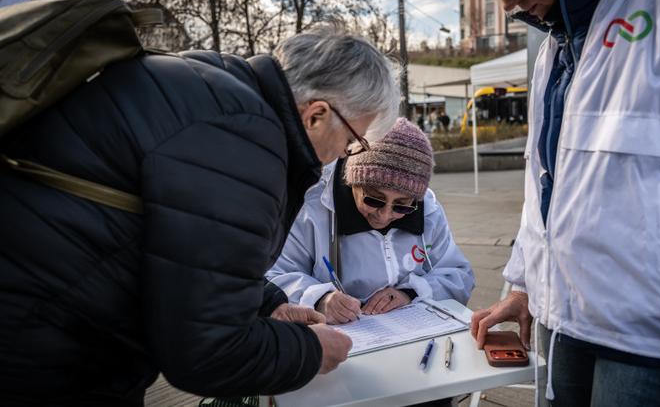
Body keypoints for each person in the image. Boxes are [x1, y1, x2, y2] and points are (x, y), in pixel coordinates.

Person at [0, 28, 399, 406]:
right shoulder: (246, 142)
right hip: (42, 352)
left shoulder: (211, 87)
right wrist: (310, 352)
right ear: (316, 114)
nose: (343, 156)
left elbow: (183, 242)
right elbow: (206, 351)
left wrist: (268, 303)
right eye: (351, 142)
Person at [472, 0, 660, 406]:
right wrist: (523, 285)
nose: (506, 4)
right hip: (560, 326)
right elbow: (547, 183)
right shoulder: (553, 49)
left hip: (655, 345)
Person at [267, 118, 474, 324]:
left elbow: (458, 274)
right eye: (373, 199)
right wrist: (320, 297)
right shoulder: (312, 209)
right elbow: (275, 275)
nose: (384, 215)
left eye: (402, 205)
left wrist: (411, 292)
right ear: (352, 181)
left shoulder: (428, 209)